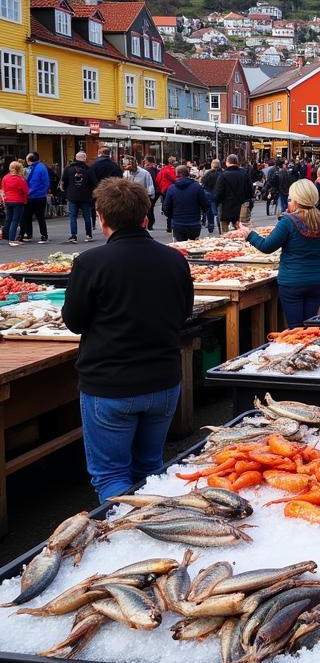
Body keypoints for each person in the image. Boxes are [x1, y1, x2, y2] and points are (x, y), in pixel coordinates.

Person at [61, 178, 193, 502]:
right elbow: (183, 313)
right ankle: (154, 534)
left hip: (111, 384)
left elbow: (74, 322)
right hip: (162, 381)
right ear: (146, 218)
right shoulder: (174, 259)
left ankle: (125, 542)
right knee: (150, 468)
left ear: (101, 218)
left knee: (111, 476)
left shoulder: (91, 263)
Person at [234, 179, 320, 327]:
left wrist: (249, 235)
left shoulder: (288, 222)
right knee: (310, 325)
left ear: (297, 199)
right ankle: (309, 348)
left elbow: (267, 246)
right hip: (318, 279)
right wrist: (318, 261)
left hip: (293, 281)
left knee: (295, 328)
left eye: (291, 198)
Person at [162, 164, 211, 241]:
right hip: (194, 223)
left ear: (177, 174)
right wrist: (201, 215)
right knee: (194, 247)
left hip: (178, 223)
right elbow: (205, 204)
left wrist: (172, 216)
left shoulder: (172, 188)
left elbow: (166, 207)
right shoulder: (197, 187)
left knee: (179, 248)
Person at [61, 151, 96, 242]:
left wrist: (67, 190)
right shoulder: (89, 169)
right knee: (87, 216)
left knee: (72, 216)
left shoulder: (68, 168)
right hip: (85, 196)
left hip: (72, 195)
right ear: (84, 158)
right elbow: (93, 183)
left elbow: (64, 180)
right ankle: (88, 235)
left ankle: (73, 235)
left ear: (75, 158)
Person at [20, 151, 51, 243]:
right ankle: (43, 235)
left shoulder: (34, 169)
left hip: (32, 196)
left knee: (27, 217)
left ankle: (30, 235)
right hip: (40, 196)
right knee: (40, 217)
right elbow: (45, 182)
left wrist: (27, 193)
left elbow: (32, 183)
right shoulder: (41, 167)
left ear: (29, 160)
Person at [214, 153, 250, 232]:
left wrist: (217, 203)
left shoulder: (222, 175)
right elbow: (250, 191)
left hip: (225, 208)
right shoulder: (245, 173)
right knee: (242, 232)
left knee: (225, 233)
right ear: (237, 162)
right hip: (241, 208)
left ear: (227, 162)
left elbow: (219, 193)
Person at [2, 161, 29, 246]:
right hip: (18, 201)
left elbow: (3, 189)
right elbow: (26, 191)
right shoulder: (20, 179)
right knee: (15, 221)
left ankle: (7, 236)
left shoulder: (5, 178)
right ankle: (12, 240)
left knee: (8, 219)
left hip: (8, 200)